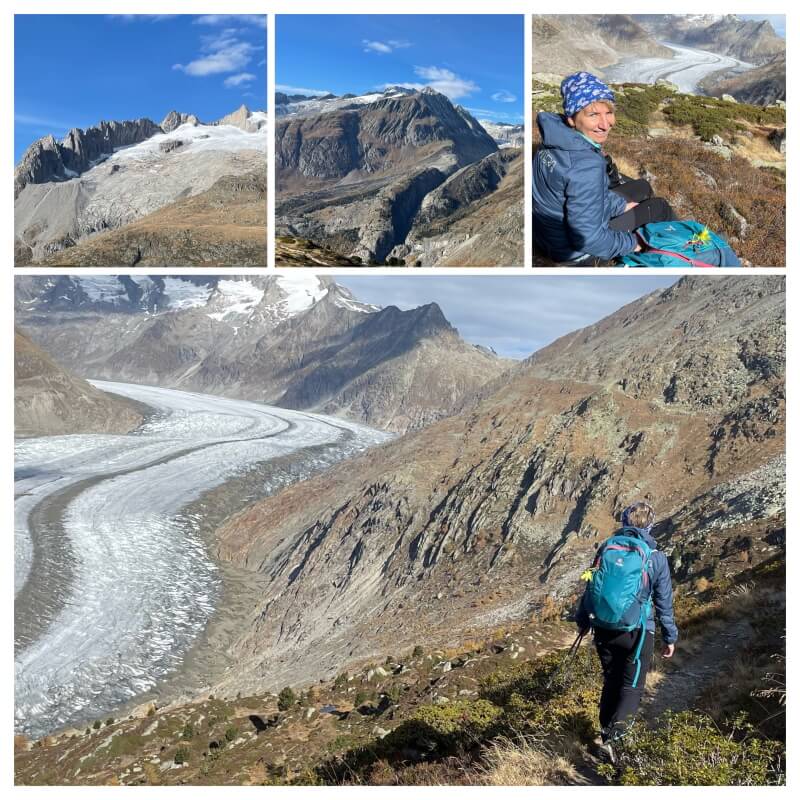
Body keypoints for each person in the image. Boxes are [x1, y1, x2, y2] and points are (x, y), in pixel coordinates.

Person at [533, 72, 675, 265]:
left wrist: (619, 206)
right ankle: (687, 246)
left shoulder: (554, 140)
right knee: (660, 207)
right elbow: (587, 238)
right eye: (593, 115)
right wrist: (633, 243)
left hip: (548, 236)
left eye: (608, 113)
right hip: (575, 253)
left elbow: (577, 195)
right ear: (572, 119)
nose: (605, 124)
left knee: (641, 187)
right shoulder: (585, 165)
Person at [575, 501, 678, 761]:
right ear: (651, 525)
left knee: (611, 680)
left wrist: (583, 621)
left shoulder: (606, 548)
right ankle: (617, 741)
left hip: (603, 627)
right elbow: (663, 600)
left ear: (623, 522)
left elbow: (590, 585)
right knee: (631, 686)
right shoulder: (656, 557)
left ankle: (606, 735)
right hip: (638, 630)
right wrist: (670, 636)